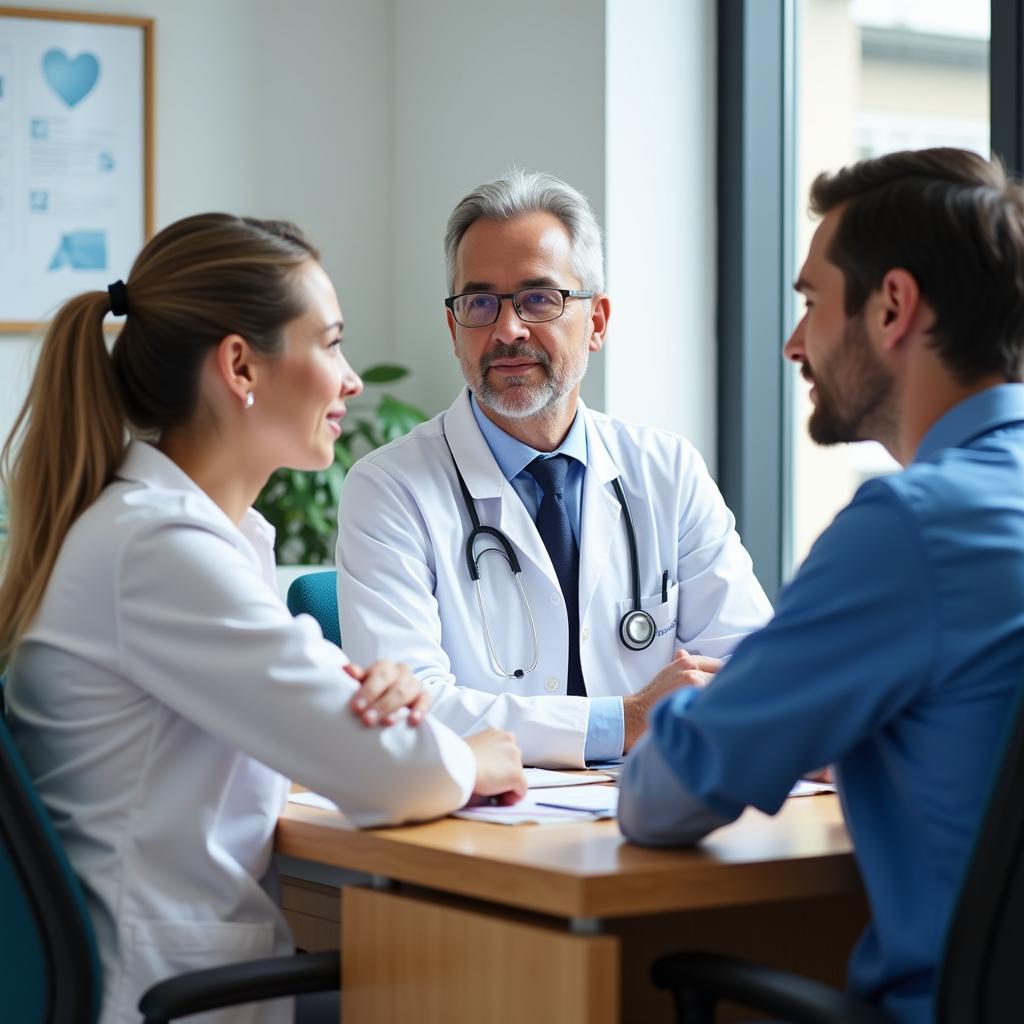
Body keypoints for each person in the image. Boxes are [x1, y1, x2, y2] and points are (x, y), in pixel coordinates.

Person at [0, 214, 525, 1024]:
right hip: (168, 997)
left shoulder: (170, 535)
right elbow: (395, 774)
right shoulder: (162, 549)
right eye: (332, 344)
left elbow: (307, 732)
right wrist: (479, 758)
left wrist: (381, 709)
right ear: (240, 366)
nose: (352, 381)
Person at [618, 147, 1024, 1024]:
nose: (794, 343)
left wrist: (715, 703)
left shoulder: (911, 528)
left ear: (892, 307)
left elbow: (662, 798)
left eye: (810, 302)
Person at [337, 171, 772, 769]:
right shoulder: (389, 488)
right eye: (480, 303)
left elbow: (750, 668)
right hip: (480, 840)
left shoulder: (667, 470)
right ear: (454, 328)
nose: (507, 329)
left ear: (596, 322)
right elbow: (409, 709)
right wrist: (626, 721)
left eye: (539, 298)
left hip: (662, 818)